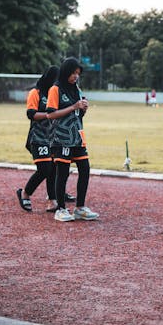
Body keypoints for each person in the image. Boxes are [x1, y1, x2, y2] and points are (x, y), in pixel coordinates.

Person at [47, 57, 99, 222]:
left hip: (77, 136)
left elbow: (77, 113)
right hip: (61, 137)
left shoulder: (76, 89)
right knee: (62, 173)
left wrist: (83, 108)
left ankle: (80, 208)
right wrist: (73, 107)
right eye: (73, 73)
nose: (76, 76)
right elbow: (51, 114)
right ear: (65, 72)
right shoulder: (55, 89)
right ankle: (61, 209)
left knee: (85, 169)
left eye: (78, 73)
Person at [16, 66, 68, 213]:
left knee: (53, 169)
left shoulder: (56, 92)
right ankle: (25, 193)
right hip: (37, 137)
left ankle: (52, 201)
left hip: (53, 138)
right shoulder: (35, 92)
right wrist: (48, 115)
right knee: (45, 169)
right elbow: (31, 114)